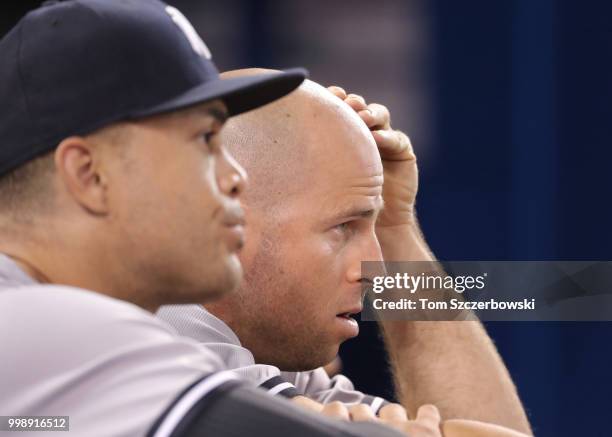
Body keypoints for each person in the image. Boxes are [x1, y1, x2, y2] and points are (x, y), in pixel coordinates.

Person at [0, 1, 441, 436]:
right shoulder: (53, 327)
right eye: (205, 139)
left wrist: (398, 224)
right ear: (89, 174)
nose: (231, 175)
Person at [157, 69, 532, 435]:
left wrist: (396, 227)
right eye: (342, 228)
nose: (378, 271)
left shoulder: (258, 353)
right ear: (228, 219)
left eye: (372, 228)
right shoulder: (165, 359)